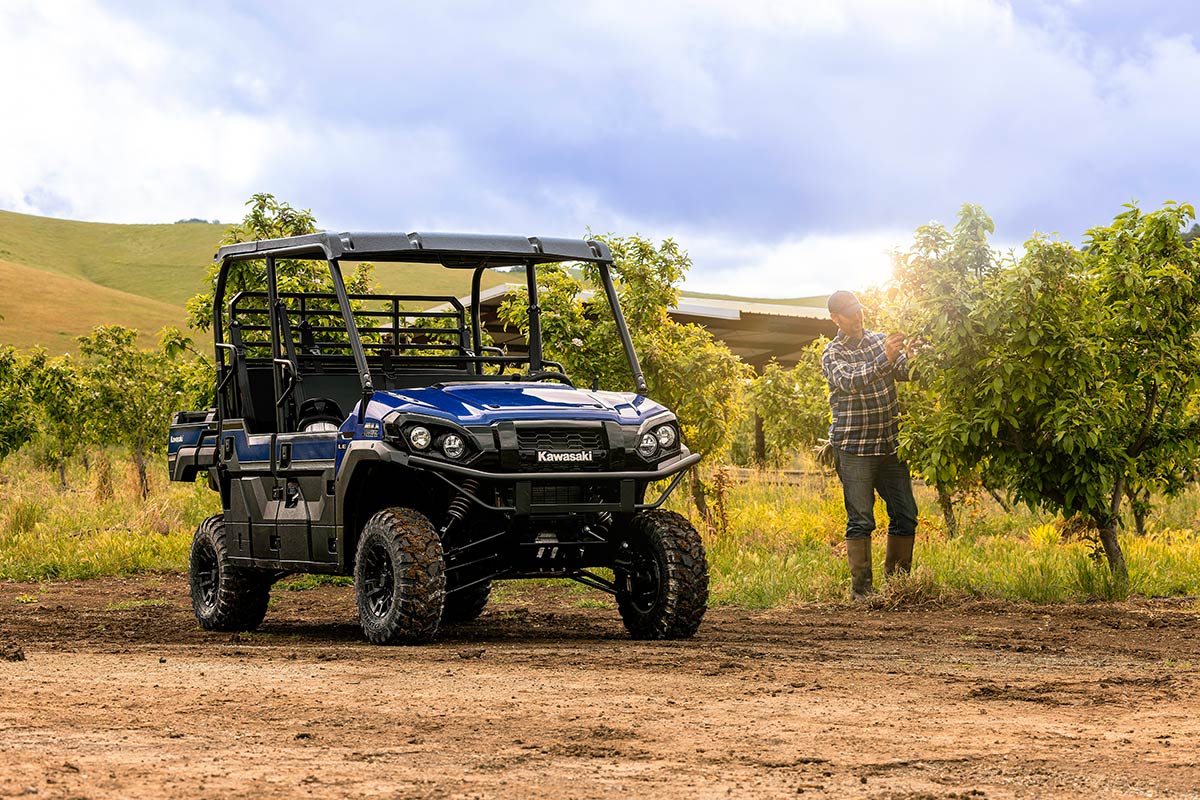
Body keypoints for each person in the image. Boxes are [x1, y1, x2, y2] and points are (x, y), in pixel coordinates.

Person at [821, 290, 917, 600]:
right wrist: (885, 359)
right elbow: (851, 380)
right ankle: (862, 592)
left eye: (859, 310)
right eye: (850, 314)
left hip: (889, 445)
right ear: (836, 319)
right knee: (861, 519)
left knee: (905, 514)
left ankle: (899, 588)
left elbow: (904, 372)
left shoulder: (879, 340)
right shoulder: (832, 353)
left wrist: (913, 357)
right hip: (854, 449)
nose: (858, 317)